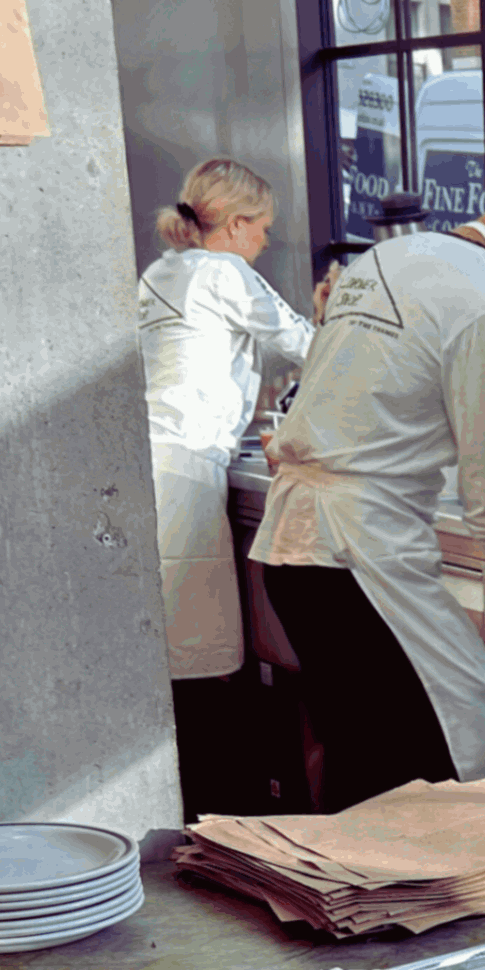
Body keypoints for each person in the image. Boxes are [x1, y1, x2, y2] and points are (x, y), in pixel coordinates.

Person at [251, 159, 485, 809]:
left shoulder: (383, 262)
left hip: (291, 550)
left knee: (369, 768)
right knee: (465, 763)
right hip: (357, 554)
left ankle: (354, 903)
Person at [136, 158, 318, 815]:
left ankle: (183, 813)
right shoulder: (224, 272)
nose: (265, 241)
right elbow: (306, 344)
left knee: (173, 650)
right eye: (263, 228)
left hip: (148, 466)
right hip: (185, 474)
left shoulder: (161, 270)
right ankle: (216, 823)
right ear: (237, 224)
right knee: (203, 657)